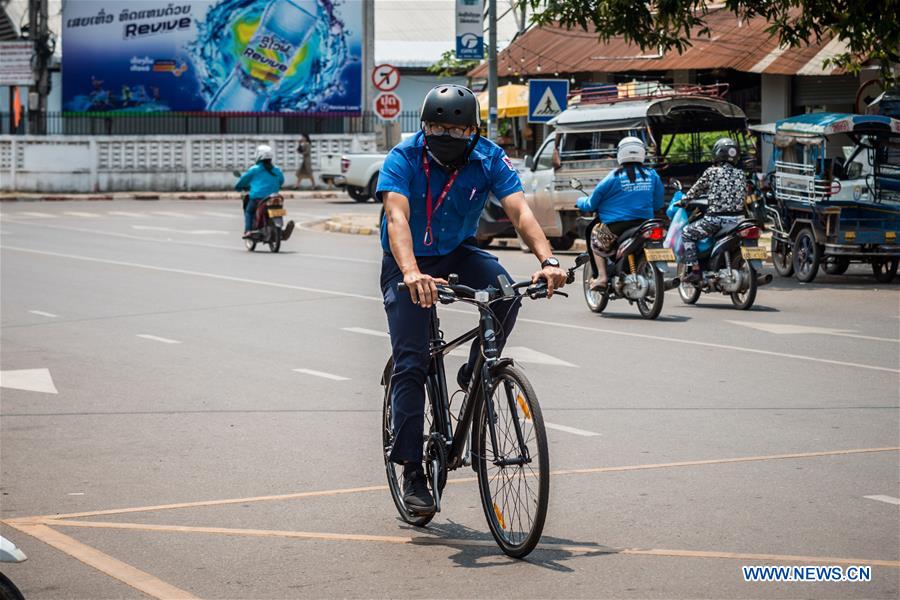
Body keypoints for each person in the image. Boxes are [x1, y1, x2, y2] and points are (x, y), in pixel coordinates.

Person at [379, 84, 568, 515]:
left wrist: (549, 259)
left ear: (473, 131)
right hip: (405, 261)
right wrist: (411, 272)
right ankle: (412, 471)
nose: (444, 135)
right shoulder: (403, 157)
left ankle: (475, 369)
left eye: (455, 129)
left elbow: (519, 211)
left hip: (456, 251)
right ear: (424, 127)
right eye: (436, 127)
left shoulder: (489, 157)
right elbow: (397, 216)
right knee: (412, 362)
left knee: (506, 293)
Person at [576, 136, 664, 290]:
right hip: (645, 224)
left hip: (617, 226)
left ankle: (602, 277)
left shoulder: (614, 176)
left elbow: (591, 203)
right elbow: (658, 203)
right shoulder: (652, 175)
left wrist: (579, 201)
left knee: (595, 238)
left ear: (620, 154)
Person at [679, 138, 745, 282]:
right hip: (739, 221)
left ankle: (695, 270)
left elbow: (695, 191)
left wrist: (683, 201)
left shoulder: (712, 172)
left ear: (717, 154)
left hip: (716, 220)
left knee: (687, 233)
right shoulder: (741, 174)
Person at [235, 145, 293, 239]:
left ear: (258, 155)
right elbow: (281, 181)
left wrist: (238, 187)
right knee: (278, 207)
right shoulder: (276, 169)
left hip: (257, 198)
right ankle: (279, 229)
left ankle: (248, 230)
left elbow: (243, 180)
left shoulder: (254, 169)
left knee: (249, 211)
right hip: (274, 197)